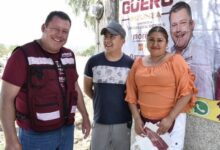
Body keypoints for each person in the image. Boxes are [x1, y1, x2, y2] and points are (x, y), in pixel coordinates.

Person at [0, 11, 91, 150]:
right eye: (55, 29)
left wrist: (85, 115)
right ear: (44, 28)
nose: (60, 34)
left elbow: (74, 87)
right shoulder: (22, 55)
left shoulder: (69, 55)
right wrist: (11, 140)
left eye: (65, 31)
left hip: (67, 130)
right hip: (35, 136)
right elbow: (5, 99)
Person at [125, 26, 197, 149]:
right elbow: (130, 94)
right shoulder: (137, 63)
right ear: (146, 41)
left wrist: (170, 118)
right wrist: (136, 119)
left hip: (170, 122)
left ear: (166, 43)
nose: (155, 44)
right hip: (144, 123)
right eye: (151, 40)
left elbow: (188, 92)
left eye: (160, 40)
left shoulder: (176, 61)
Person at [84, 20, 133, 150]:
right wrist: (101, 100)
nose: (107, 40)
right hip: (100, 122)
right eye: (106, 36)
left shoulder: (131, 64)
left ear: (123, 40)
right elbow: (87, 89)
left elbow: (132, 94)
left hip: (123, 123)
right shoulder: (93, 62)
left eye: (112, 36)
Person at [169, 1, 215, 100]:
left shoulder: (203, 51)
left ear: (192, 25)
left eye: (183, 23)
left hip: (200, 112)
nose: (178, 29)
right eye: (174, 25)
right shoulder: (169, 54)